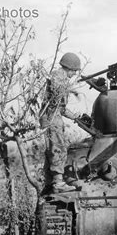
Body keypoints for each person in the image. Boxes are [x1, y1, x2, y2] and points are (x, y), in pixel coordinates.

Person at [41, 52, 81, 193]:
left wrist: (74, 117)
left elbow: (61, 108)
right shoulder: (58, 77)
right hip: (52, 118)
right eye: (74, 71)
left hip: (52, 116)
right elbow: (56, 99)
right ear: (69, 68)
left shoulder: (60, 78)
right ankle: (58, 183)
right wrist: (71, 89)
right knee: (58, 148)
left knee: (51, 150)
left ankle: (49, 182)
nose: (74, 74)